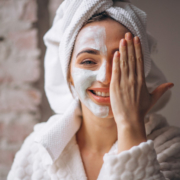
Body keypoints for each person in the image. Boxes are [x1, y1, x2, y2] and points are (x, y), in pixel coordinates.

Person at [8, 0, 180, 180]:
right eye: (88, 62)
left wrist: (130, 124)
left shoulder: (171, 147)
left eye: (121, 62)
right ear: (68, 75)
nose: (105, 78)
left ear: (141, 72)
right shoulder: (36, 149)